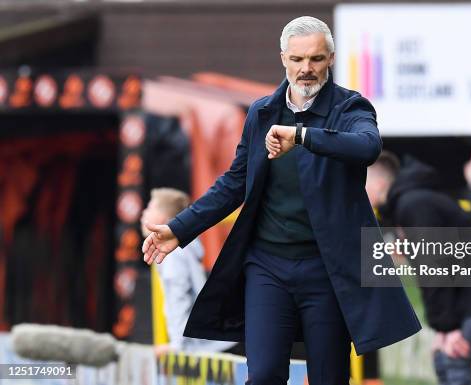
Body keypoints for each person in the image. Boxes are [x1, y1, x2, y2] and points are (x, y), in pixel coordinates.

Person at [141, 16, 421, 385]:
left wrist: (302, 135)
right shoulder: (261, 113)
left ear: (331, 59)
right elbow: (233, 183)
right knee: (264, 375)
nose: (307, 69)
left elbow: (368, 147)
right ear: (283, 59)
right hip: (268, 266)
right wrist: (180, 229)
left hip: (326, 270)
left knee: (329, 377)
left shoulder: (351, 108)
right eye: (298, 59)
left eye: (317, 59)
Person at [367, 151, 471, 385]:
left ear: (380, 183)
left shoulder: (414, 204)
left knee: (454, 357)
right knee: (444, 358)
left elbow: (433, 268)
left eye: (361, 185)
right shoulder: (409, 203)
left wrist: (448, 327)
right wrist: (444, 329)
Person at [140, 188, 237, 355]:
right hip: (214, 342)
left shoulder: (172, 253)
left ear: (163, 219)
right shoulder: (184, 247)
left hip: (203, 347)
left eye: (150, 208)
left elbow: (179, 295)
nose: (143, 213)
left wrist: (177, 346)